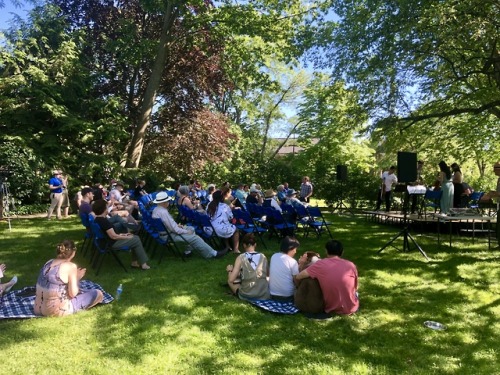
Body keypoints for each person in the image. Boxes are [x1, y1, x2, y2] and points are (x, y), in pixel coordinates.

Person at [34, 240, 103, 317]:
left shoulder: (49, 262)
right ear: (73, 253)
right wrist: (77, 277)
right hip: (55, 311)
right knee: (97, 293)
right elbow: (73, 293)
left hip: (37, 308)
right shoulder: (71, 266)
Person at [151, 192, 228, 259]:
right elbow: (175, 230)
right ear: (163, 202)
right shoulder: (163, 212)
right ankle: (213, 254)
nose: (169, 202)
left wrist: (178, 225)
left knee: (191, 228)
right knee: (195, 237)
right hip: (168, 235)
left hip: (166, 232)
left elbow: (168, 224)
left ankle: (188, 251)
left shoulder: (156, 210)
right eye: (167, 201)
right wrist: (186, 231)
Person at [295, 240, 359, 316]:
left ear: (326, 251)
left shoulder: (320, 264)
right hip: (351, 307)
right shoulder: (351, 265)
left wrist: (301, 264)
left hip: (331, 308)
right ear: (342, 252)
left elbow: (299, 276)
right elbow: (356, 287)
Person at [92, 199, 150, 270]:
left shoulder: (97, 219)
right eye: (107, 207)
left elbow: (112, 234)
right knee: (136, 239)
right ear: (104, 209)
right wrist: (127, 238)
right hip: (111, 243)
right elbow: (114, 236)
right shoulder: (104, 221)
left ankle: (134, 262)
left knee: (134, 238)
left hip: (104, 242)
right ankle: (143, 264)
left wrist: (124, 235)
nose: (108, 208)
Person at [225, 233, 270, 300]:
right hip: (263, 294)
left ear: (244, 245)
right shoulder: (263, 256)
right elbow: (267, 275)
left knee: (229, 281)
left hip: (247, 294)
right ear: (255, 244)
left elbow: (231, 279)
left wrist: (229, 270)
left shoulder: (241, 257)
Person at [269, 236, 300, 302]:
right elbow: (296, 281)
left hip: (272, 294)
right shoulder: (293, 262)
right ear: (291, 249)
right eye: (295, 249)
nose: (295, 252)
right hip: (287, 296)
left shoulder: (274, 256)